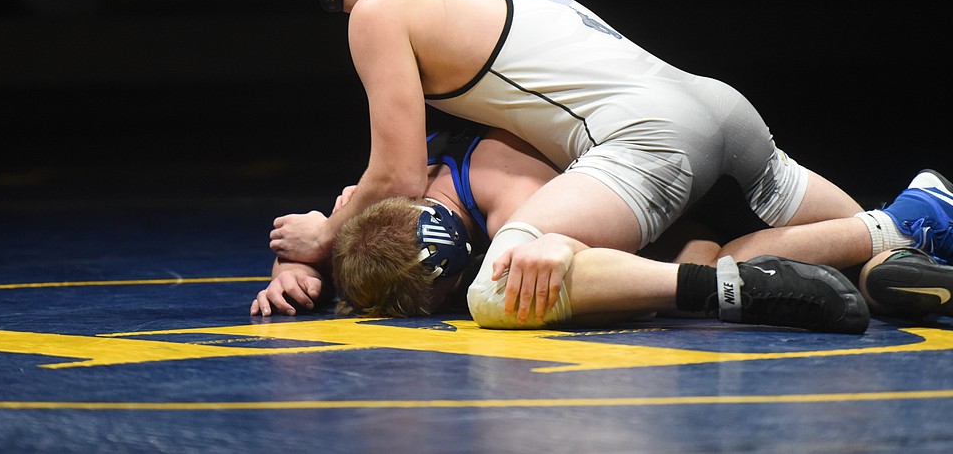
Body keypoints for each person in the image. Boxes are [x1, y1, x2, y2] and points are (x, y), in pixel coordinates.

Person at [273, 0, 953, 328]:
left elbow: (398, 178)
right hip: (717, 108)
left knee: (502, 283)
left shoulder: (379, 10)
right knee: (822, 266)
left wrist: (328, 237)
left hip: (644, 137)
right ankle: (907, 232)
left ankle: (902, 220)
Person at [254, 123, 872, 334]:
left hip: (702, 191)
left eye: (439, 300)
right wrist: (300, 266)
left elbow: (589, 272)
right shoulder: (402, 184)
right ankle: (888, 255)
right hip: (663, 165)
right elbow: (334, 231)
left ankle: (893, 228)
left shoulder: (512, 200)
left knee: (712, 263)